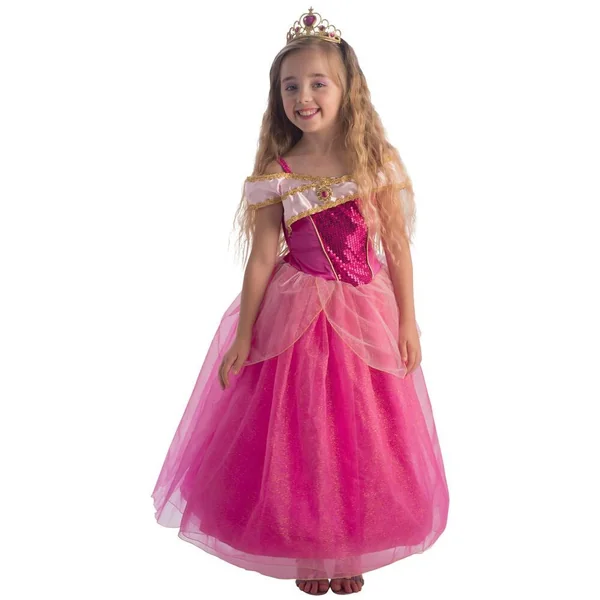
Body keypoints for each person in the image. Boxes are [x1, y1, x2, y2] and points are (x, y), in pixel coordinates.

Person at [151, 6, 450, 596]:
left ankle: (350, 547)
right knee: (299, 435)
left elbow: (397, 249)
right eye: (291, 86)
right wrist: (244, 335)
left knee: (361, 432)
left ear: (347, 90)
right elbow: (262, 258)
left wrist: (409, 321)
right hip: (294, 314)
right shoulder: (278, 172)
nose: (303, 97)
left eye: (318, 83)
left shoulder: (375, 165)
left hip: (363, 313)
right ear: (277, 95)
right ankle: (310, 551)